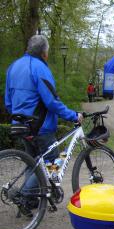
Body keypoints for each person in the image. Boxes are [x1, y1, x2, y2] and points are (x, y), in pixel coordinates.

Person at [4, 35, 83, 214]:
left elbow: (8, 102)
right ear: (44, 53)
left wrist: (20, 115)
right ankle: (24, 197)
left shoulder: (13, 67)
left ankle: (30, 201)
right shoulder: (40, 68)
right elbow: (51, 102)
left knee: (31, 163)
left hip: (20, 125)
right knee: (51, 160)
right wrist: (73, 116)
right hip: (40, 126)